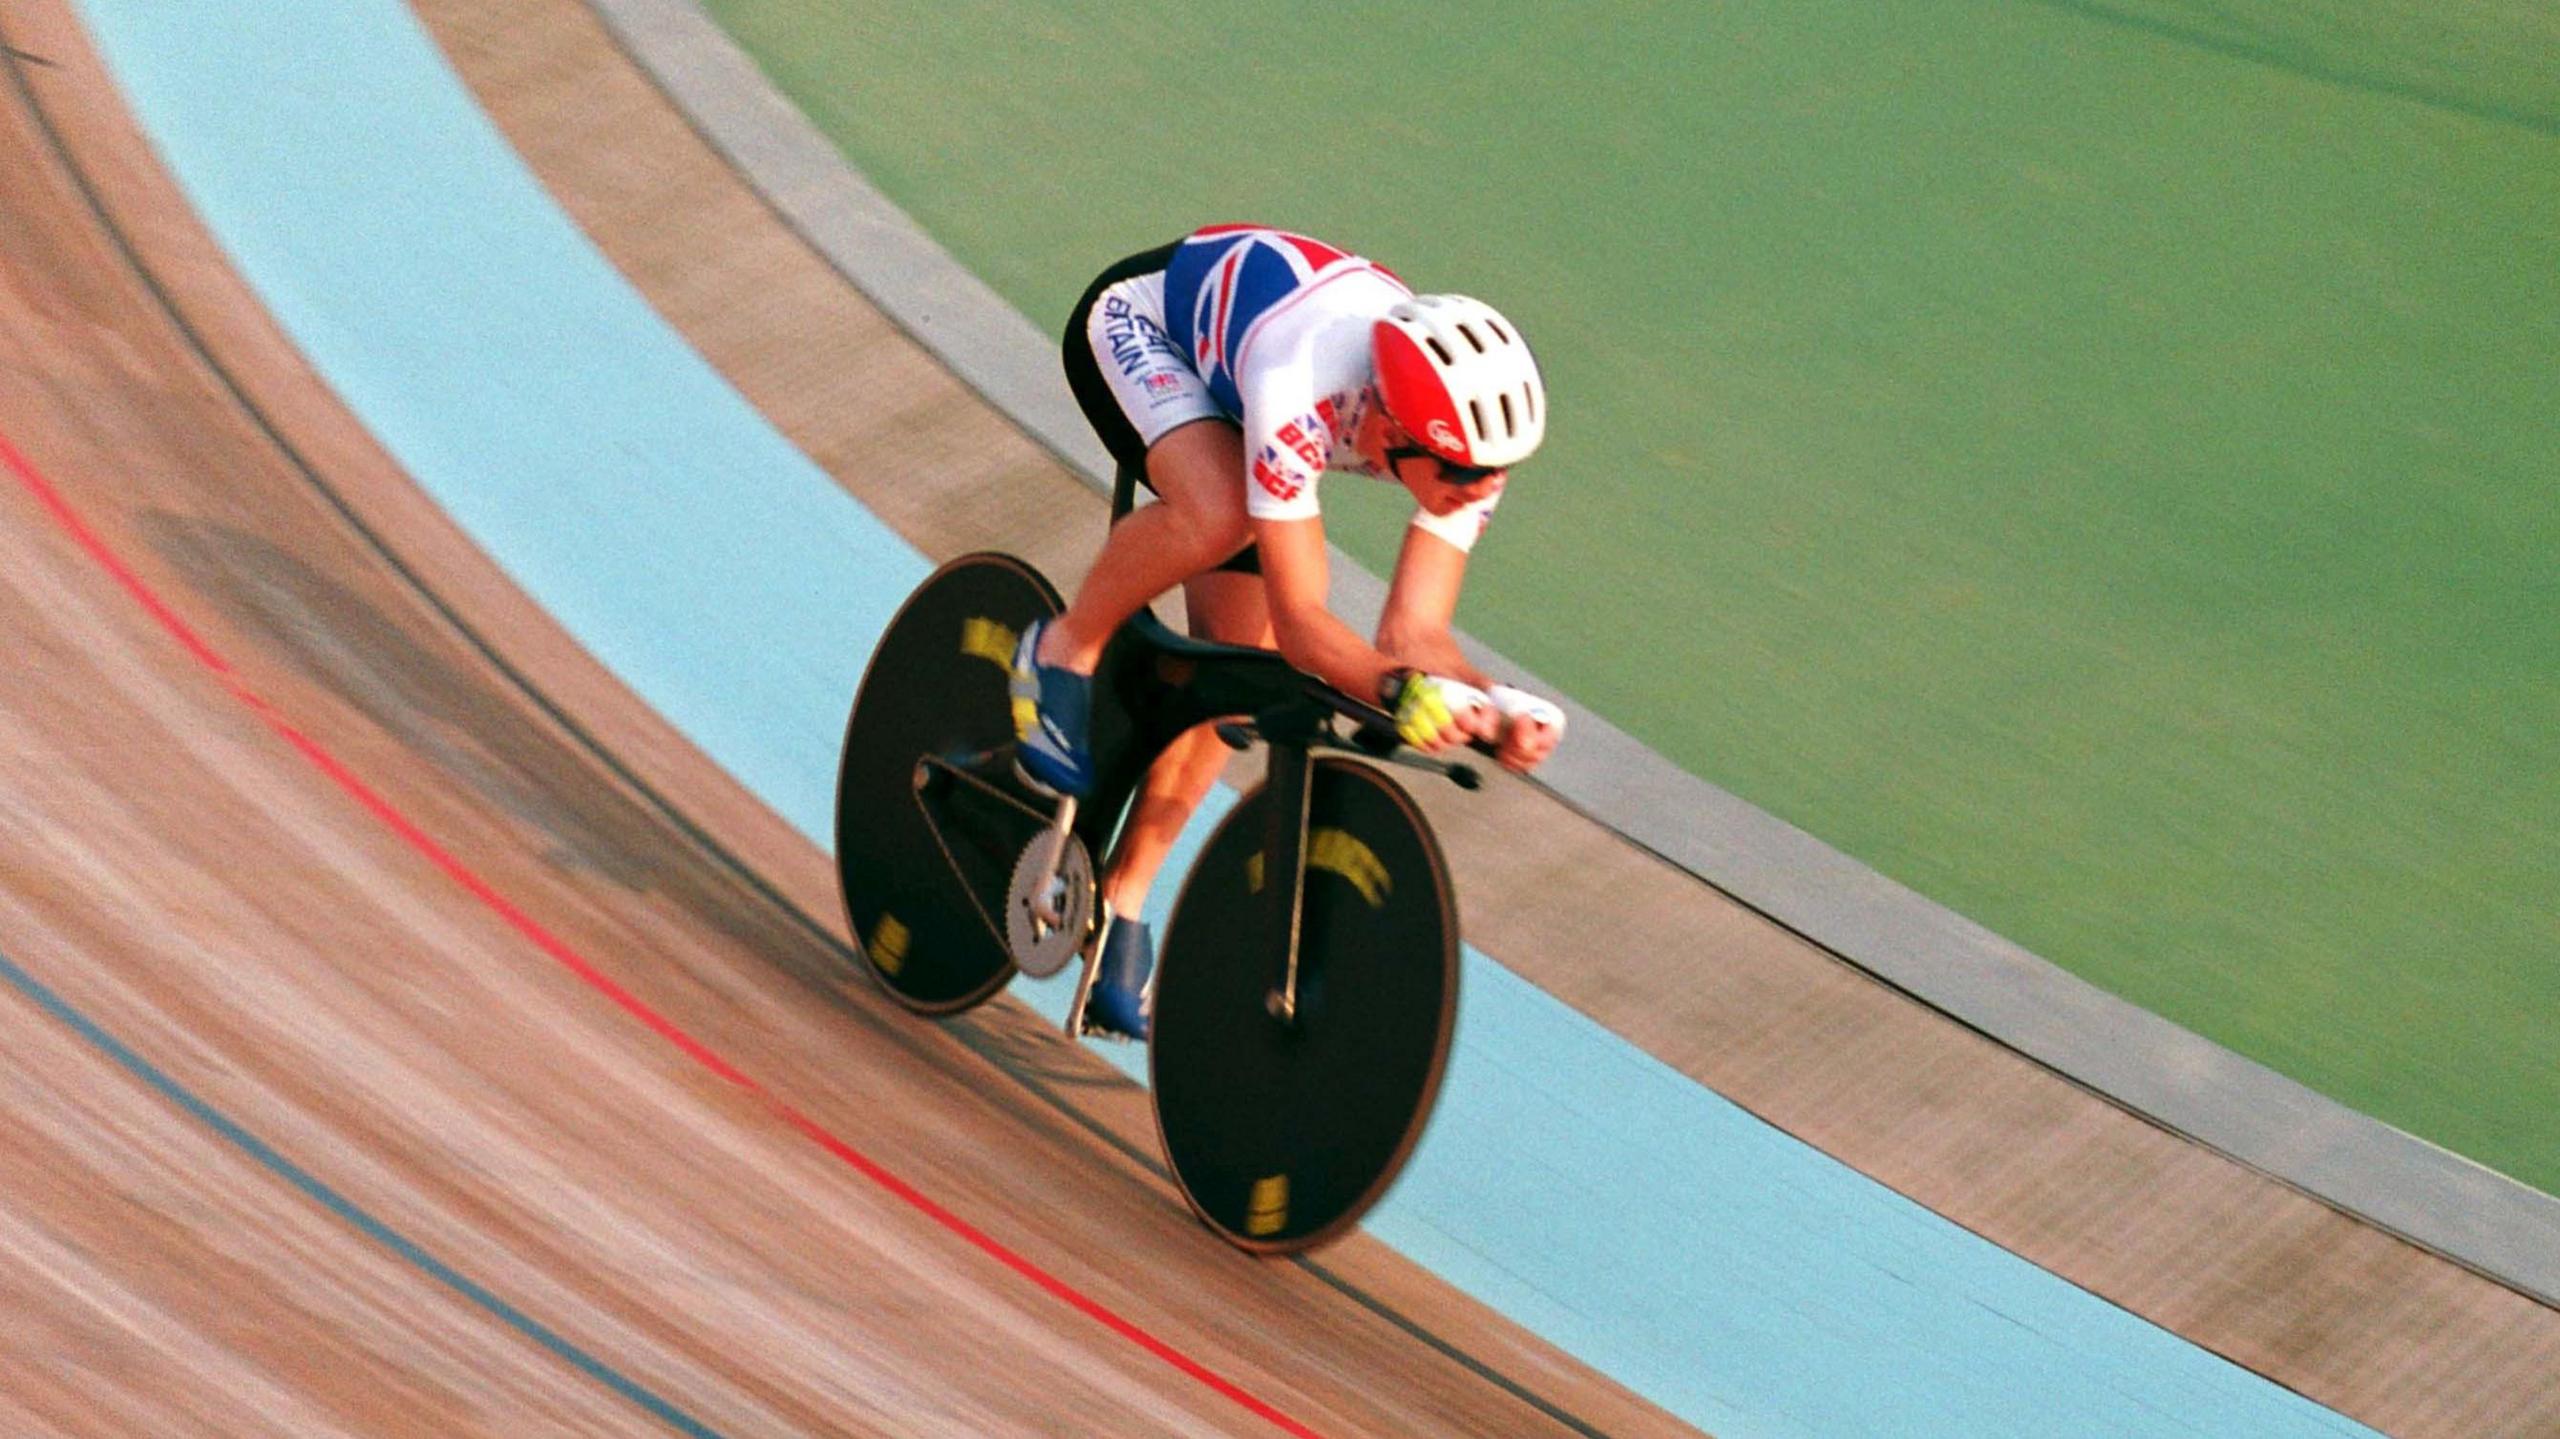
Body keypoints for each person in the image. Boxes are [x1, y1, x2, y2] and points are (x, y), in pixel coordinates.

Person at [1018, 224, 1567, 1039]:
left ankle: (1122, 906)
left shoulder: (1467, 448)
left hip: (1237, 386)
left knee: (1238, 672)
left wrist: (1489, 707)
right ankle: (1064, 646)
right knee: (1218, 512)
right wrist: (1398, 691)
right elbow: (1311, 624)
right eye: (1457, 473)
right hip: (1142, 328)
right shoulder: (1305, 383)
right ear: (1390, 428)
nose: (1479, 489)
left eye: (1496, 474)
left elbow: (1415, 628)